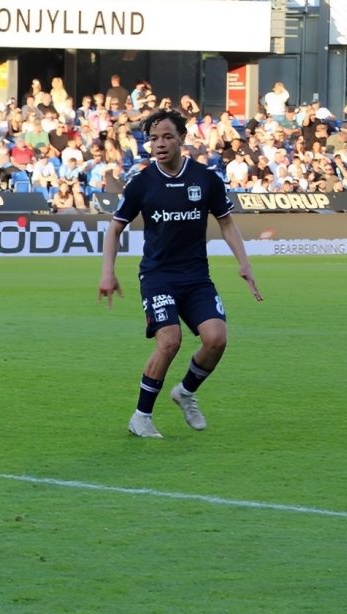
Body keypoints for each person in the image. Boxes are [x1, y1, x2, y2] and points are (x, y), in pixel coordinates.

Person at [97, 109, 263, 439]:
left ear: (182, 139)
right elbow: (115, 228)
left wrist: (244, 263)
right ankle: (141, 417)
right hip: (158, 276)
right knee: (170, 340)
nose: (159, 144)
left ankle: (185, 392)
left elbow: (226, 223)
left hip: (196, 276)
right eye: (153, 139)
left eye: (167, 137)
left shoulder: (205, 179)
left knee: (217, 339)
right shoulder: (142, 184)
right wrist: (108, 272)